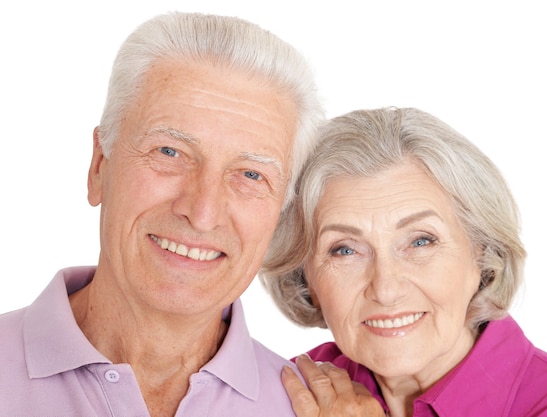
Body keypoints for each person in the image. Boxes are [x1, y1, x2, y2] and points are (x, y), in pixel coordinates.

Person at [0, 12, 323, 417]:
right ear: (100, 166)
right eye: (169, 152)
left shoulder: (311, 410)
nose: (202, 213)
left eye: (250, 175)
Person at [259, 107, 547, 416]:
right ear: (303, 275)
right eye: (344, 250)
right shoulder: (292, 392)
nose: (386, 289)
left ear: (481, 254)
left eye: (420, 241)